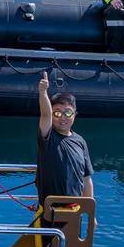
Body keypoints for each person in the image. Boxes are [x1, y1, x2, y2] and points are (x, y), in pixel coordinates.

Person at [36, 73, 94, 207]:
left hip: (75, 211)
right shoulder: (48, 136)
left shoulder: (80, 141)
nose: (63, 117)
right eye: (57, 113)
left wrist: (92, 213)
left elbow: (86, 179)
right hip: (50, 211)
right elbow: (45, 114)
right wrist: (43, 92)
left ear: (75, 114)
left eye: (68, 113)